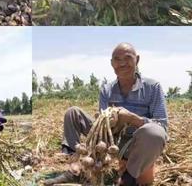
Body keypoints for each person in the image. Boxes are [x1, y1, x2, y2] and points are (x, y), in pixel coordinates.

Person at [44, 43, 167, 186]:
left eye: (127, 58)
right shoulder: (106, 89)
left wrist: (132, 118)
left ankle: (128, 178)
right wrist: (110, 120)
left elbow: (162, 125)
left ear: (137, 60)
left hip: (137, 144)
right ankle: (75, 168)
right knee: (73, 113)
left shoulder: (153, 87)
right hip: (111, 140)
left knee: (154, 132)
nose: (122, 63)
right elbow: (102, 128)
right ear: (111, 63)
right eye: (117, 59)